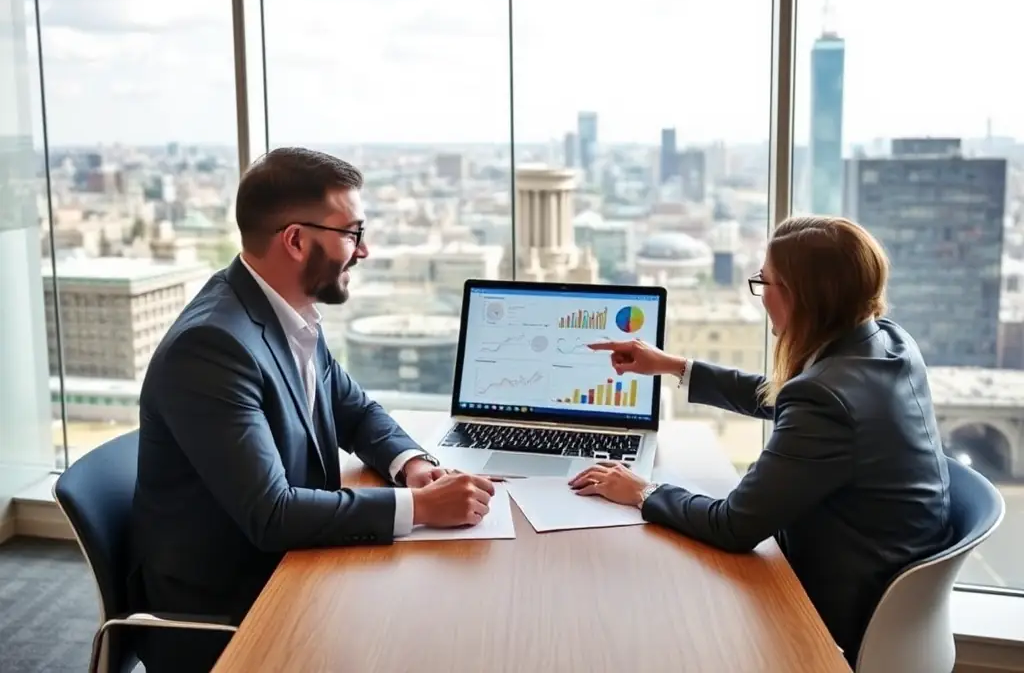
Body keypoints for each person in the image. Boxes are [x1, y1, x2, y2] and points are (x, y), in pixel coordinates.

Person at [129, 147, 495, 673]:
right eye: (351, 233)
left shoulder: (284, 311)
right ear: (296, 240)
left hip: (298, 566)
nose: (363, 251)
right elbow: (272, 515)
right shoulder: (212, 346)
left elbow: (355, 410)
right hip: (234, 607)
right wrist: (424, 509)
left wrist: (412, 467)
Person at [571, 215, 953, 666]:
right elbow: (788, 395)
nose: (760, 294)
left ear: (799, 297)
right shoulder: (884, 342)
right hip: (885, 576)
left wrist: (641, 490)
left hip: (837, 607)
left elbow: (733, 526)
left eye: (764, 281)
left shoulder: (826, 397)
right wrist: (673, 366)